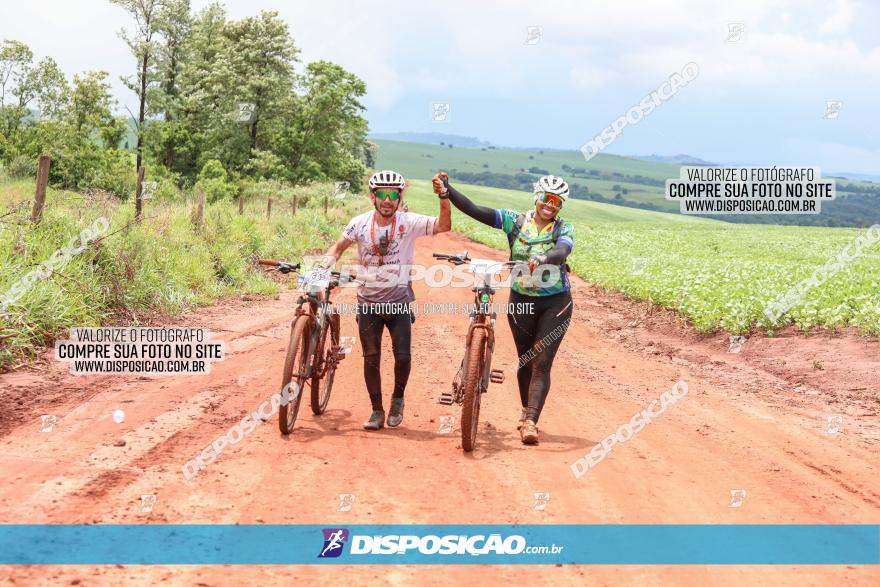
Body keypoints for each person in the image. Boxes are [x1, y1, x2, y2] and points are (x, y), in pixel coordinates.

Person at [433, 172, 574, 445]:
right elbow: (476, 210)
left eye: (557, 202)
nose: (550, 205)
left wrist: (544, 256)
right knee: (526, 360)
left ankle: (531, 421)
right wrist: (448, 191)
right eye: (546, 198)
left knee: (542, 362)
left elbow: (562, 252)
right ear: (537, 197)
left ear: (560, 206)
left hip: (555, 302)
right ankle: (525, 412)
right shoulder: (515, 220)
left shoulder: (563, 229)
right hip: (521, 299)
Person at [320, 170, 451, 430]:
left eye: (393, 194)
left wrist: (444, 196)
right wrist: (321, 267)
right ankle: (377, 410)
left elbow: (443, 225)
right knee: (371, 357)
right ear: (373, 196)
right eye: (382, 194)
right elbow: (337, 248)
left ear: (400, 198)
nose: (388, 200)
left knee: (402, 357)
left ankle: (398, 399)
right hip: (368, 302)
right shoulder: (358, 223)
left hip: (399, 301)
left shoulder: (409, 222)